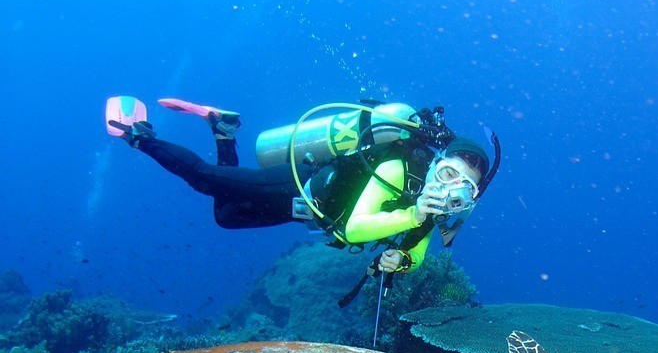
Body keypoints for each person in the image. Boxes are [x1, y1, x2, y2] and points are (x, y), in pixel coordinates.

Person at [106, 96, 499, 276]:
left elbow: (417, 251)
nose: (451, 189)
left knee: (225, 215)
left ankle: (223, 131)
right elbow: (353, 227)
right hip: (298, 185)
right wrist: (412, 213)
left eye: (465, 187)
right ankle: (139, 136)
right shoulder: (399, 168)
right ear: (436, 162)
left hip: (305, 212)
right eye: (448, 173)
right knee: (206, 180)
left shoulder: (435, 210)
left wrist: (402, 261)